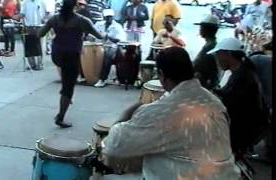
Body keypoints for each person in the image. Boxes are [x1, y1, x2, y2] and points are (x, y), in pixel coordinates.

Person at [102, 47, 241, 180]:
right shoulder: (214, 102)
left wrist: (125, 115)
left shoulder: (161, 112)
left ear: (161, 75)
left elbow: (114, 147)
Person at [38, 0, 103, 128]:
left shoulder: (55, 19)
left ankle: (66, 93)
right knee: (69, 87)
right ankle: (60, 117)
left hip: (57, 55)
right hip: (71, 56)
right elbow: (98, 35)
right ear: (76, 5)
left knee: (67, 77)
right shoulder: (81, 20)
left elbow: (40, 33)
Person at [209, 38, 269, 157]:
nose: (217, 59)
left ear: (229, 54)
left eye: (218, 54)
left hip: (243, 130)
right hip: (249, 125)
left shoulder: (243, 77)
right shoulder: (243, 71)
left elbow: (231, 105)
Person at [93, 9, 126, 88]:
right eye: (107, 17)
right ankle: (87, 75)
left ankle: (103, 79)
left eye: (110, 17)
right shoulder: (98, 24)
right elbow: (92, 35)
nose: (108, 19)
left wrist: (108, 36)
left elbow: (119, 40)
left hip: (112, 46)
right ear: (104, 17)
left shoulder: (117, 26)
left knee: (108, 55)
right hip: (99, 45)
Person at [193, 14, 221, 90]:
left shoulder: (209, 48)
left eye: (201, 28)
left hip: (205, 87)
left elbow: (198, 67)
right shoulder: (212, 45)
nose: (200, 30)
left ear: (206, 30)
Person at [20, 0, 46, 70]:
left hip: (39, 26)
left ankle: (39, 64)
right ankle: (32, 64)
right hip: (29, 26)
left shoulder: (41, 2)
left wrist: (44, 20)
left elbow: (45, 13)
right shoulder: (25, 2)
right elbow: (22, 14)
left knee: (39, 45)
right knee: (30, 45)